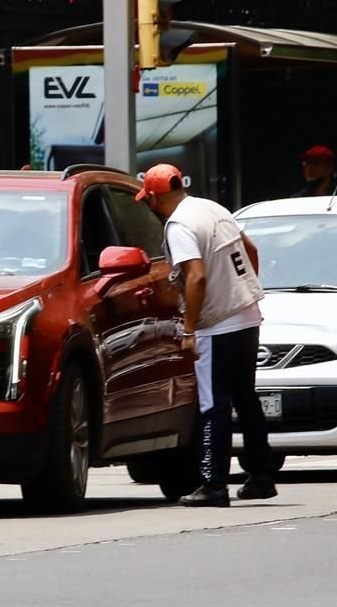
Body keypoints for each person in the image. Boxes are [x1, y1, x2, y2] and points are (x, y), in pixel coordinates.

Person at [136, 163, 278, 507]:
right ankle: (261, 476)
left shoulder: (179, 225)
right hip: (246, 314)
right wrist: (239, 291)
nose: (149, 207)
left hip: (216, 325)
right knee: (246, 398)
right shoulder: (212, 208)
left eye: (148, 201)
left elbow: (195, 277)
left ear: (155, 198)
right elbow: (252, 251)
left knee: (213, 404)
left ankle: (214, 485)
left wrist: (189, 329)